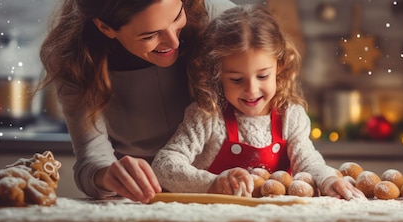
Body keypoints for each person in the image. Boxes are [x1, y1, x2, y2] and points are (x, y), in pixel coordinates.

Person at [151, 4, 366, 200]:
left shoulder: (290, 115)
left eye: (262, 76)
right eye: (236, 79)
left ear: (279, 66)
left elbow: (307, 162)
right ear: (217, 73)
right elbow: (164, 166)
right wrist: (214, 183)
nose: (251, 90)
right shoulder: (207, 115)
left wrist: (328, 179)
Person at [38, 0, 236, 203]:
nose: (174, 42)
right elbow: (90, 154)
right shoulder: (73, 59)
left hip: (223, 188)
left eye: (177, 16)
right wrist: (107, 175)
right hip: (140, 200)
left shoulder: (221, 19)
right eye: (149, 35)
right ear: (105, 27)